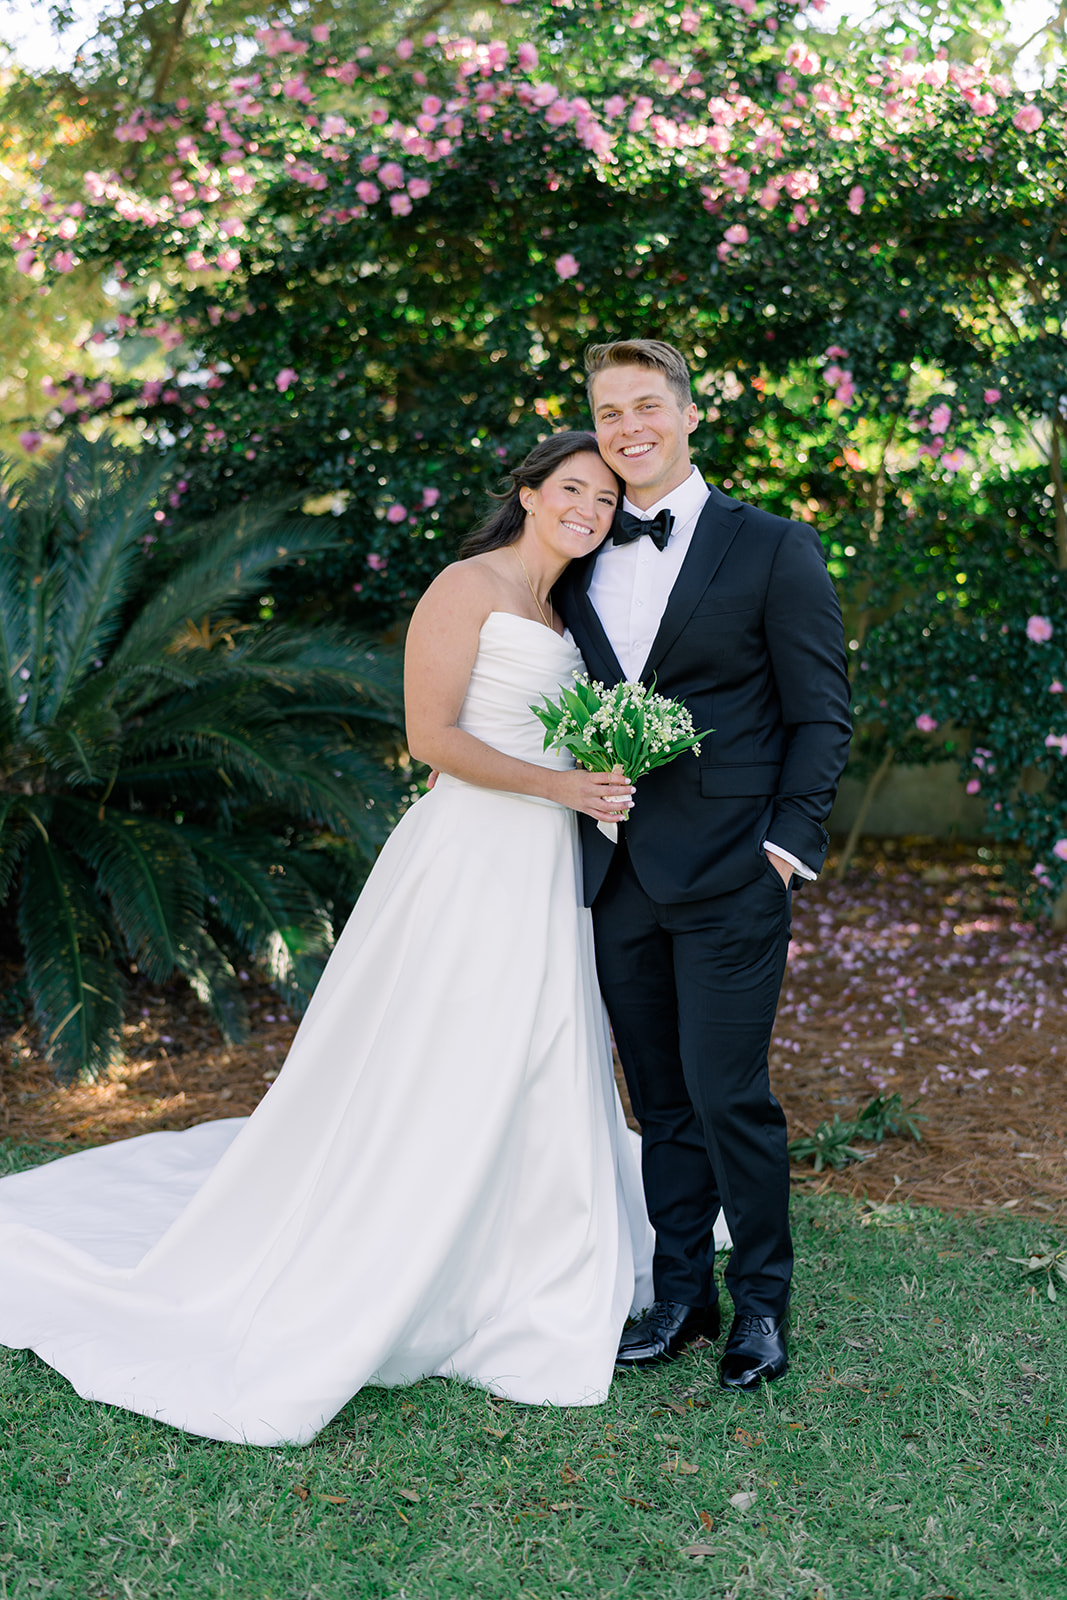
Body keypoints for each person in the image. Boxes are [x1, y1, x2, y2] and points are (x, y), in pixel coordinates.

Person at [0, 431, 654, 1446]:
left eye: (606, 498)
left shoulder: (561, 612)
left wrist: (602, 769)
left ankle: (527, 1255)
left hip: (541, 861)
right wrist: (560, 784)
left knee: (535, 1046)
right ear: (527, 492)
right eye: (571, 487)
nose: (587, 508)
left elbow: (541, 730)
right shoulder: (466, 584)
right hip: (471, 853)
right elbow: (430, 737)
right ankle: (409, 1245)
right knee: (447, 1048)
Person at [555, 340, 851, 1388]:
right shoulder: (574, 546)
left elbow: (819, 714)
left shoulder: (771, 546)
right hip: (611, 871)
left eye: (645, 405)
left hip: (732, 868)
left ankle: (760, 1307)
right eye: (606, 412)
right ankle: (681, 1292)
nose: (626, 426)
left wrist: (783, 848)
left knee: (731, 1096)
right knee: (660, 1102)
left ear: (688, 416)